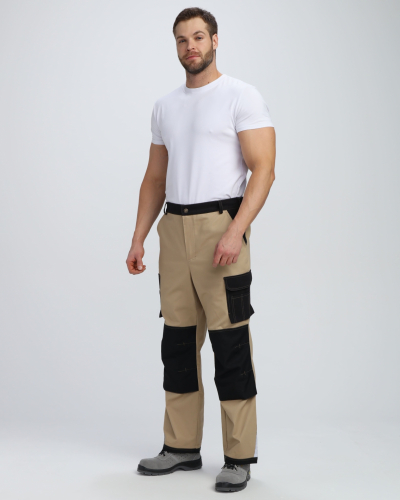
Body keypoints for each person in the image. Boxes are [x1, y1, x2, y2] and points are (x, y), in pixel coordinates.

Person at [126, 7, 276, 493]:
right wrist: (139, 236)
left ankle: (239, 457)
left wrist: (236, 230)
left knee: (230, 345)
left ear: (214, 40)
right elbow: (155, 178)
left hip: (220, 227)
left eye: (198, 37)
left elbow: (264, 168)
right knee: (177, 344)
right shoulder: (165, 106)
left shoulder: (240, 95)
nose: (190, 46)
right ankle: (181, 447)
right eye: (181, 39)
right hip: (174, 230)